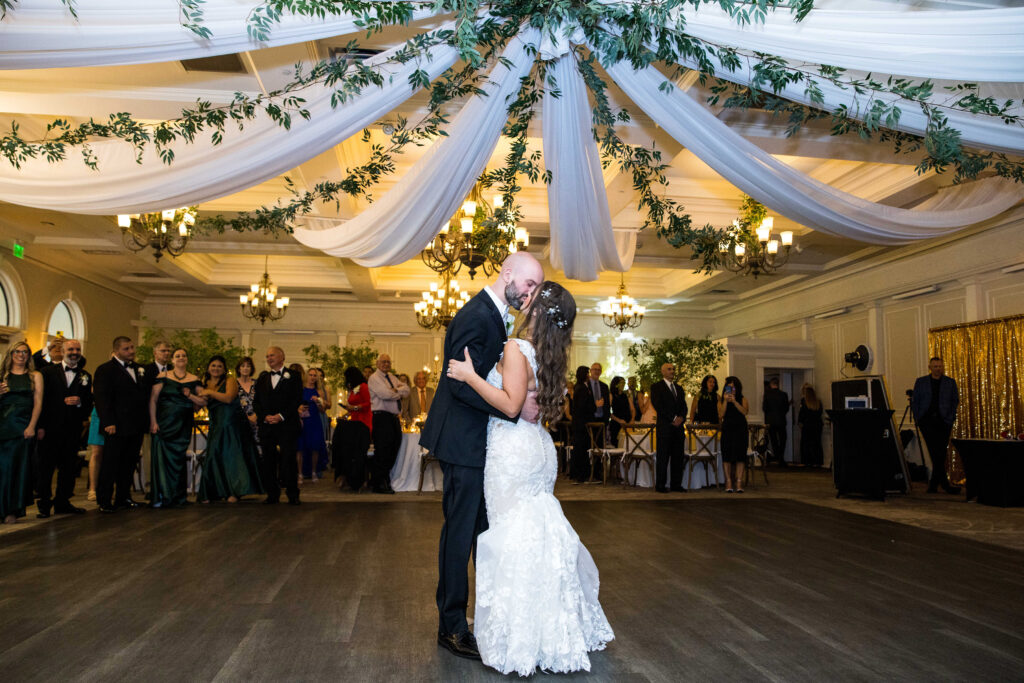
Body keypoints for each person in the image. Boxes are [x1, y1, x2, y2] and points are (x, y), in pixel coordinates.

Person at [447, 280, 614, 675]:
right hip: (537, 450)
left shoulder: (516, 347)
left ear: (536, 312)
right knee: (535, 534)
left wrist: (470, 376)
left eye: (530, 299)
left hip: (513, 452)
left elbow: (510, 404)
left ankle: (520, 636)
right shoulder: (550, 354)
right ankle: (549, 629)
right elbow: (532, 404)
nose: (523, 301)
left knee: (512, 539)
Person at [420, 251, 543, 661]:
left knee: (476, 532)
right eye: (529, 284)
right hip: (462, 441)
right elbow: (458, 384)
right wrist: (512, 405)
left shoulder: (494, 315)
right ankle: (451, 626)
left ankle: (470, 619)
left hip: (476, 442)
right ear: (507, 274)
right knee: (459, 536)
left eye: (537, 287)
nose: (531, 293)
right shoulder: (476, 315)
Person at [35, 338, 92, 517]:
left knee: (68, 468)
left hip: (72, 429)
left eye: (77, 349)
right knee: (46, 467)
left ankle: (63, 501)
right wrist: (41, 426)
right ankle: (44, 504)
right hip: (50, 428)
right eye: (71, 349)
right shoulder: (47, 372)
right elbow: (41, 401)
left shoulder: (85, 376)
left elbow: (89, 403)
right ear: (63, 351)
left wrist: (80, 402)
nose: (74, 352)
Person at [93, 336, 149, 513]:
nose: (131, 351)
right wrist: (108, 422)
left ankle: (123, 497)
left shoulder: (139, 369)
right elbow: (102, 398)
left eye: (132, 347)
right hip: (116, 425)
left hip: (135, 425)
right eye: (127, 349)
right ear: (116, 350)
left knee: (129, 463)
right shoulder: (105, 369)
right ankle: (104, 500)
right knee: (111, 463)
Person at [196, 355, 263, 503]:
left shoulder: (230, 381)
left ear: (224, 369)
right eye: (213, 365)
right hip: (216, 423)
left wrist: (209, 392)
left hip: (231, 423)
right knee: (214, 456)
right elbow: (199, 404)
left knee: (231, 457)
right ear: (208, 367)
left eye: (220, 366)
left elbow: (228, 398)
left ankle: (233, 491)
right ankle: (211, 492)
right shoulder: (204, 383)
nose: (216, 368)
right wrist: (190, 397)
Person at [148, 348, 204, 509]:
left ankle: (178, 496)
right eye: (177, 356)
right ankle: (162, 495)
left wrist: (190, 395)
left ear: (187, 359)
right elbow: (153, 400)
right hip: (164, 424)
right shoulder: (163, 377)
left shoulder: (194, 379)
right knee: (161, 459)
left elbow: (203, 402)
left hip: (183, 425)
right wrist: (153, 421)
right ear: (172, 360)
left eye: (183, 356)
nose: (181, 358)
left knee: (178, 459)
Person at [254, 347, 303, 505]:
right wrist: (265, 416)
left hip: (287, 425)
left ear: (282, 357)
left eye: (272, 355)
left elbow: (296, 399)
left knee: (288, 459)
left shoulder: (294, 376)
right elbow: (256, 402)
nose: (269, 358)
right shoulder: (262, 378)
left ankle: (292, 494)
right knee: (268, 461)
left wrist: (281, 416)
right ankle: (272, 494)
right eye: (267, 356)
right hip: (267, 426)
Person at [0, 342, 43, 523]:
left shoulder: (35, 376)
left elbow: (38, 402)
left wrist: (32, 425)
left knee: (17, 468)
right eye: (17, 351)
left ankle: (12, 509)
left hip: (23, 426)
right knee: (2, 469)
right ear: (11, 354)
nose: (21, 355)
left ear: (29, 356)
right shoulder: (2, 375)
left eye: (25, 352)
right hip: (3, 425)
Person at [911, 357, 961, 494]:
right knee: (934, 451)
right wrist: (918, 417)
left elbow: (955, 400)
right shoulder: (921, 382)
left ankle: (936, 484)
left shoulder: (950, 383)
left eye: (940, 366)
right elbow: (915, 401)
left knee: (940, 452)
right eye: (935, 366)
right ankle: (943, 483)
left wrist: (950, 418)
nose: (938, 368)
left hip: (944, 421)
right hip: (926, 421)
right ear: (930, 367)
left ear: (942, 367)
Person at [366, 354, 408, 494]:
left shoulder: (392, 377)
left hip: (393, 418)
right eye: (383, 362)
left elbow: (407, 390)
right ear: (377, 363)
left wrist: (396, 390)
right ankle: (380, 483)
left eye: (388, 362)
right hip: (381, 417)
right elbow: (384, 394)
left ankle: (382, 479)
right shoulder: (374, 378)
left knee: (394, 446)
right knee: (383, 450)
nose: (386, 364)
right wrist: (398, 392)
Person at [650, 362, 687, 493]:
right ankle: (660, 485)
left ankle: (676, 485)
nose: (672, 371)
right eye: (669, 369)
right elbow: (658, 406)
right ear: (663, 372)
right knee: (663, 458)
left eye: (673, 369)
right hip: (665, 428)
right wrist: (673, 419)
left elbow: (684, 406)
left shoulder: (679, 388)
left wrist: (681, 418)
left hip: (678, 429)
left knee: (678, 458)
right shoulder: (656, 387)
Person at [335, 366, 372, 491]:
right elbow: (353, 406)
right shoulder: (354, 389)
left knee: (359, 450)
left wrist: (355, 408)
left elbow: (368, 404)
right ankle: (347, 475)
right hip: (355, 422)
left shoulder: (363, 387)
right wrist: (346, 414)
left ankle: (362, 479)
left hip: (364, 423)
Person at [297, 365, 329, 483]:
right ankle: (300, 473)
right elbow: (294, 406)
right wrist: (299, 408)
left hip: (314, 421)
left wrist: (318, 402)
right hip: (302, 421)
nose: (312, 377)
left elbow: (322, 410)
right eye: (310, 375)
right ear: (306, 376)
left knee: (315, 447)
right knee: (300, 447)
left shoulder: (319, 391)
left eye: (315, 375)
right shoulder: (300, 390)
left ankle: (314, 471)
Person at [719, 376, 749, 493]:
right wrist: (726, 401)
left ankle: (739, 482)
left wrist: (735, 401)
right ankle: (728, 481)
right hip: (727, 429)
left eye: (733, 387)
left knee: (740, 456)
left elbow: (744, 412)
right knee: (726, 455)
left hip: (740, 429)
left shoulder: (742, 399)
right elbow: (721, 415)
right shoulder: (722, 400)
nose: (731, 390)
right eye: (729, 387)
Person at [569, 365, 595, 483]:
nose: (589, 376)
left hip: (579, 423)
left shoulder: (580, 387)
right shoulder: (582, 388)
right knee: (581, 448)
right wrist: (594, 406)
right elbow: (582, 407)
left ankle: (577, 473)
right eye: (588, 373)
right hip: (581, 423)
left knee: (580, 448)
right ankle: (581, 474)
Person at [762, 377, 790, 466]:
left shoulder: (767, 395)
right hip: (781, 420)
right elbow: (786, 408)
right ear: (778, 384)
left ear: (771, 384)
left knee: (773, 440)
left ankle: (777, 456)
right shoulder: (783, 394)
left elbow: (764, 408)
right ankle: (781, 457)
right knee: (783, 439)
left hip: (771, 421)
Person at [797, 383, 824, 467]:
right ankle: (818, 461)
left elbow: (802, 414)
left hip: (807, 425)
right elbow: (820, 413)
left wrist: (800, 422)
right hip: (817, 425)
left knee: (805, 443)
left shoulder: (804, 401)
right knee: (817, 443)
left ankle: (806, 461)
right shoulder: (818, 402)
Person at [235, 356, 259, 448]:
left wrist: (255, 416)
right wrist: (246, 418)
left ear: (252, 368)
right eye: (243, 366)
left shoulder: (257, 383)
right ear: (238, 368)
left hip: (256, 423)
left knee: (257, 454)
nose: (245, 368)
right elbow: (231, 403)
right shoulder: (233, 384)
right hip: (239, 423)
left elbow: (262, 402)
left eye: (248, 366)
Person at [608, 376, 633, 447]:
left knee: (629, 444)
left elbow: (632, 409)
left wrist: (632, 419)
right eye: (621, 383)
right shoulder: (611, 395)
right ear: (616, 384)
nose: (623, 385)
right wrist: (619, 420)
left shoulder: (625, 395)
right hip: (616, 424)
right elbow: (608, 412)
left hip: (627, 423)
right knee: (617, 445)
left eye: (624, 383)